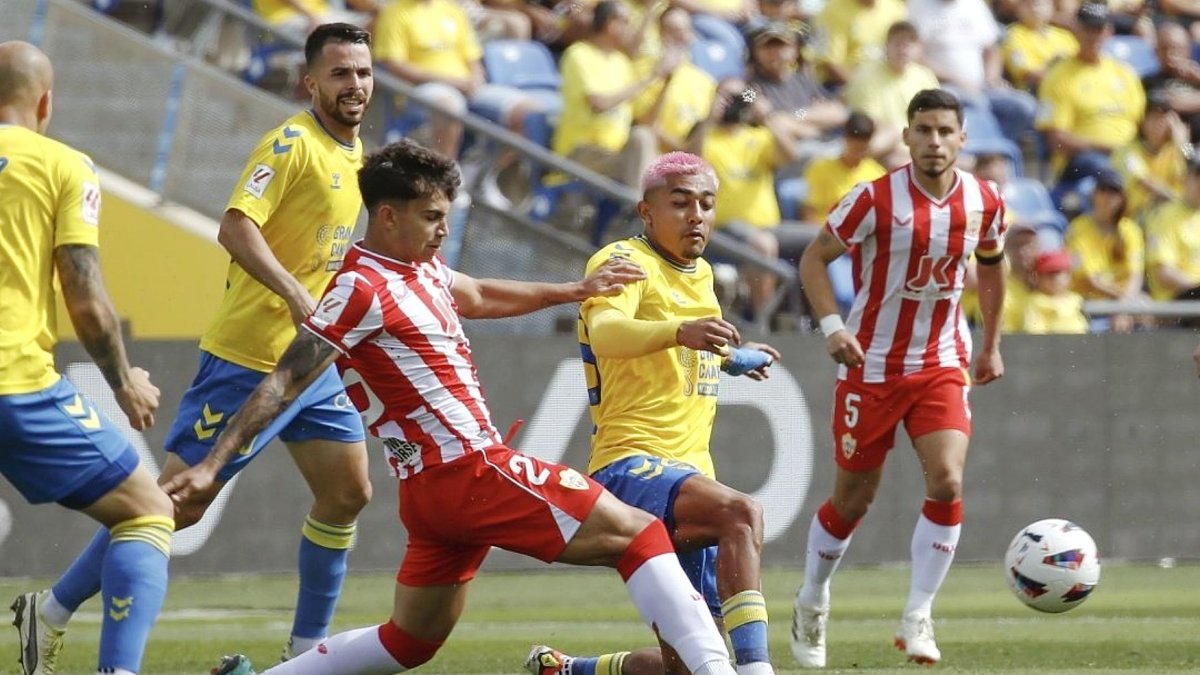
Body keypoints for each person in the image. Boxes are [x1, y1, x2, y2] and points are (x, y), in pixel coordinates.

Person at [161, 139, 739, 675]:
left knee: (410, 641)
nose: (444, 229)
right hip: (469, 468)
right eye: (432, 217)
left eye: (447, 215)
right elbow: (284, 379)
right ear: (388, 217)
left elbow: (481, 294)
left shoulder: (421, 266)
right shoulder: (359, 288)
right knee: (639, 535)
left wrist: (574, 291)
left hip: (433, 493)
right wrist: (212, 466)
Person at [20, 23, 377, 666]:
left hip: (310, 361)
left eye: (363, 73)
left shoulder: (356, 153)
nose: (355, 85)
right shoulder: (291, 143)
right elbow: (236, 228)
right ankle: (50, 610)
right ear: (310, 81)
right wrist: (298, 294)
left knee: (349, 492)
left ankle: (305, 653)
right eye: (340, 73)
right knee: (171, 505)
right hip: (248, 356)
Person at [524, 152, 780, 675]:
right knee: (742, 513)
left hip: (690, 476)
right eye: (680, 202)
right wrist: (680, 331)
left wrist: (731, 358)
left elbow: (684, 347)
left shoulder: (702, 273)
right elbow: (609, 333)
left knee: (689, 663)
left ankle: (568, 669)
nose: (696, 215)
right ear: (646, 211)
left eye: (707, 204)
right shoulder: (622, 261)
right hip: (631, 466)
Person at [790, 89, 1007, 668]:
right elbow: (813, 259)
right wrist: (832, 326)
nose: (934, 142)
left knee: (948, 481)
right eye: (923, 130)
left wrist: (990, 344)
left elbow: (991, 266)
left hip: (941, 362)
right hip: (871, 366)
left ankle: (918, 614)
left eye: (944, 131)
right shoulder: (874, 200)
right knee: (853, 500)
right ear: (906, 137)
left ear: (963, 138)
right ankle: (812, 597)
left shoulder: (986, 201)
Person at [0, 41, 173, 675]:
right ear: (44, 102)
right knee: (148, 511)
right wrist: (124, 379)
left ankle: (44, 619)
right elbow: (85, 295)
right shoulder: (61, 164)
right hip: (12, 384)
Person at [1019, 249, 1090, 334]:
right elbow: (1034, 332)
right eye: (1050, 274)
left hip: (1078, 344)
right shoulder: (1034, 301)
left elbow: (1083, 329)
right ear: (1038, 278)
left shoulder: (1076, 299)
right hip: (1051, 345)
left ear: (1069, 276)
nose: (1056, 278)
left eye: (1060, 272)